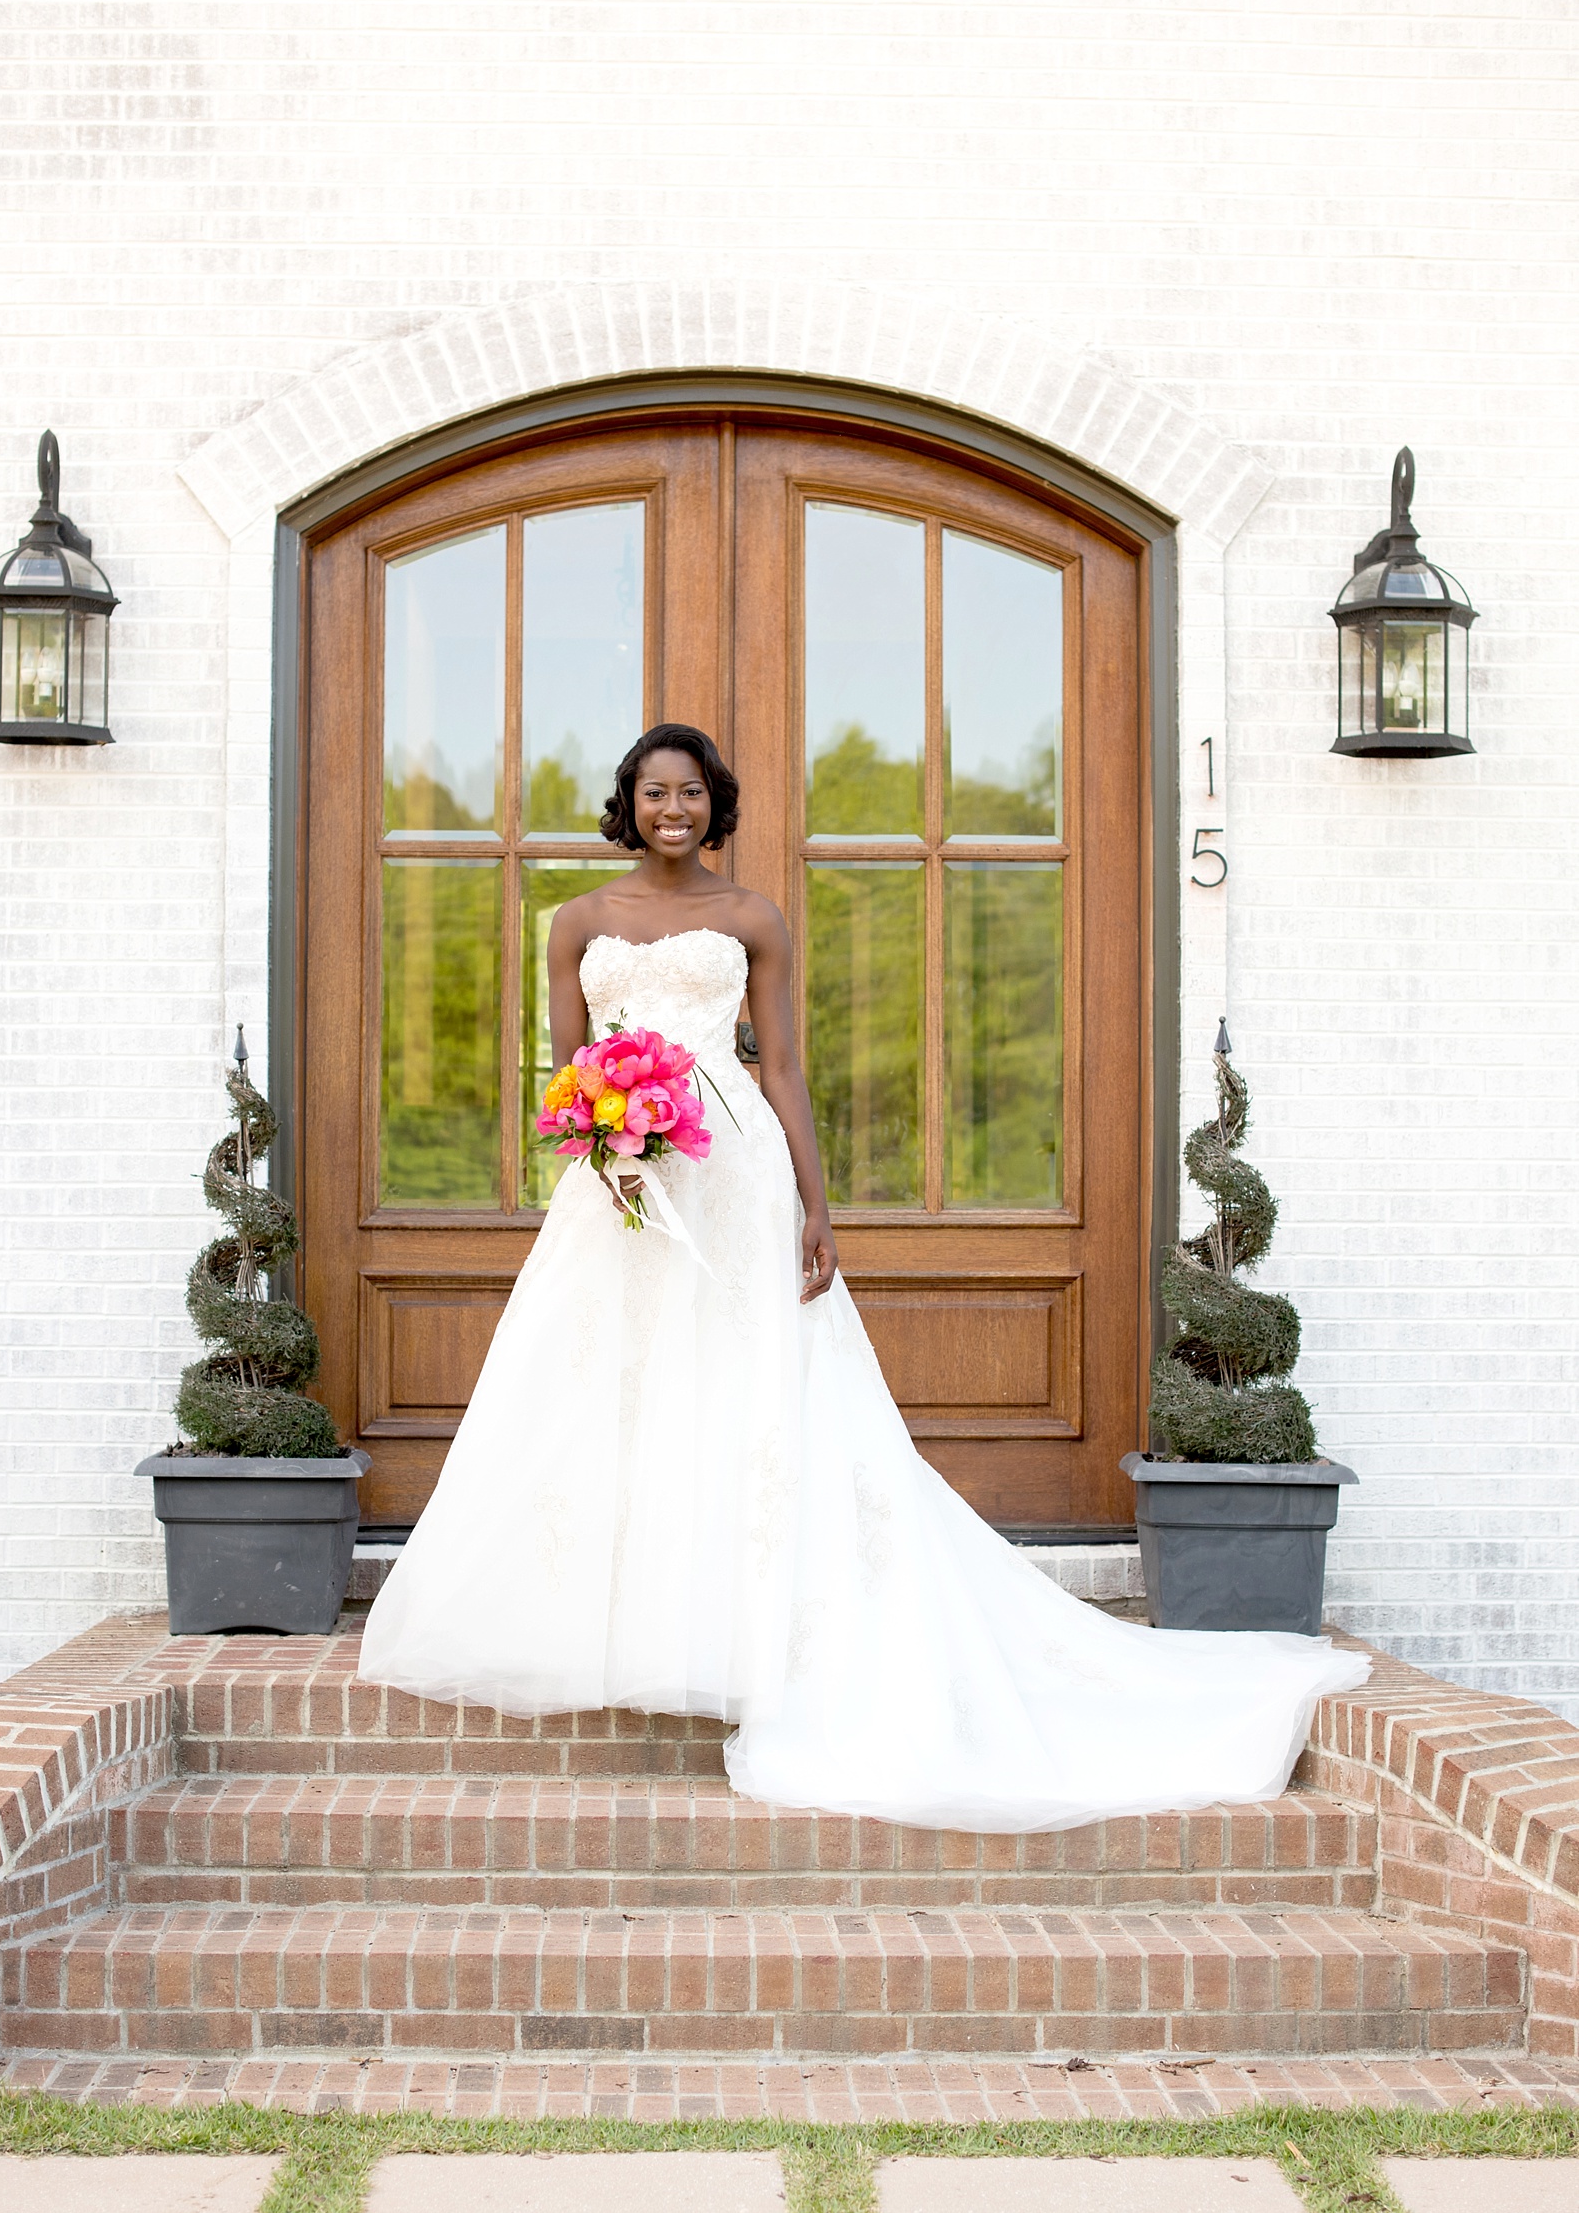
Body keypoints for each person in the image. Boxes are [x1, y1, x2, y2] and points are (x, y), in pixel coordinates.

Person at [358, 723, 1369, 1832]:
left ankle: (748, 1623)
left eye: (690, 793)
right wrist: (599, 1143)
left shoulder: (750, 919)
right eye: (653, 794)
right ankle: (625, 1622)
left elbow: (781, 1066)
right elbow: (560, 1072)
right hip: (621, 1188)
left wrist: (815, 1203)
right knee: (612, 1385)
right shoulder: (576, 922)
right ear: (626, 805)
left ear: (714, 804)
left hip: (733, 1174)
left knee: (747, 1389)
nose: (672, 810)